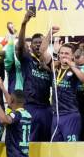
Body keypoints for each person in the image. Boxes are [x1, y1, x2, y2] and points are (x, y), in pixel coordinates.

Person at [15, 8, 54, 142]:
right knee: (30, 143)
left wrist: (48, 69)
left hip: (46, 108)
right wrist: (24, 24)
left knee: (47, 143)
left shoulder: (50, 63)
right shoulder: (27, 59)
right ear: (30, 46)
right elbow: (20, 46)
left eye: (41, 43)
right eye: (35, 43)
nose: (38, 45)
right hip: (31, 107)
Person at [44, 38, 84, 142]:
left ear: (72, 56)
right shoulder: (55, 68)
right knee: (55, 147)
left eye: (67, 54)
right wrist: (54, 51)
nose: (64, 56)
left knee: (70, 147)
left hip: (70, 115)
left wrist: (71, 65)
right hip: (56, 115)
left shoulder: (75, 68)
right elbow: (43, 54)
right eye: (62, 53)